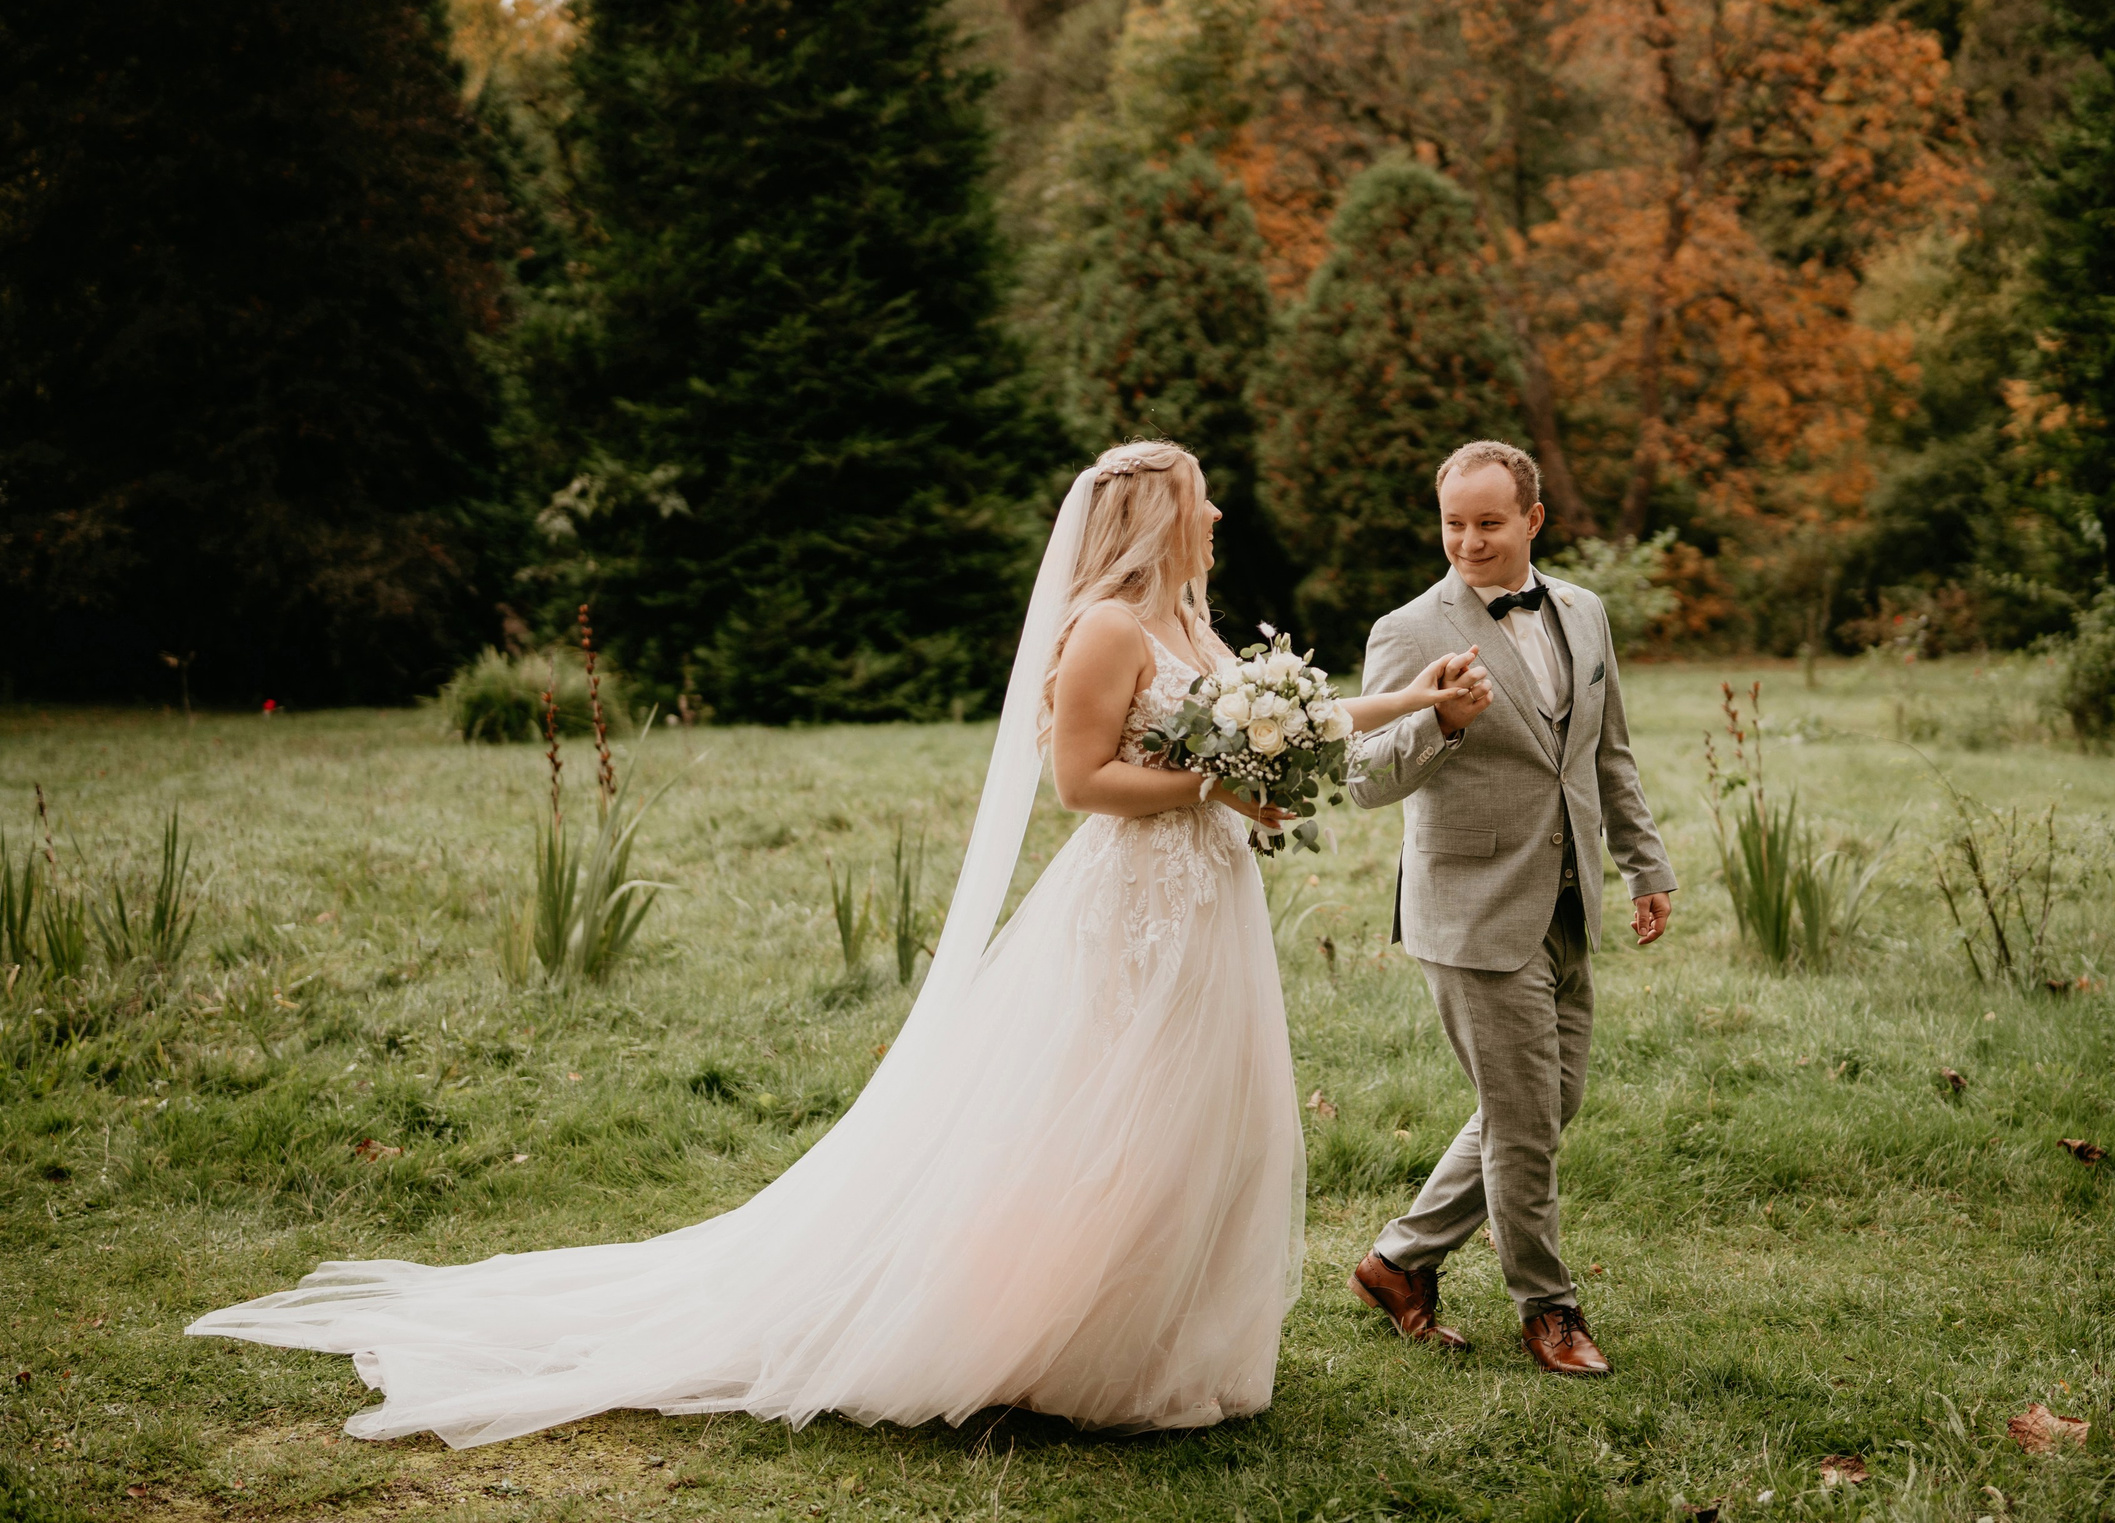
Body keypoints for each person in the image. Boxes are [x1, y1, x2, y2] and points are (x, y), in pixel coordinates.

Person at [186, 442, 1488, 1447]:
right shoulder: (1103, 628)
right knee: (1109, 1119)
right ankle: (1069, 1347)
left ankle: (1169, 1350)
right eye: (1201, 501)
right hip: (1132, 895)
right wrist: (1213, 786)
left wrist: (1409, 697)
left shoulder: (1196, 624)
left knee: (1209, 1120)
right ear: (1157, 514)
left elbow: (1283, 714)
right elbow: (1083, 782)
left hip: (1208, 902)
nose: (1215, 516)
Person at [1342, 439, 1676, 1377]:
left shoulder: (1583, 610)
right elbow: (1362, 778)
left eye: (1489, 523)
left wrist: (1646, 864)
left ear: (1533, 519)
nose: (1468, 542)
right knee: (1525, 1119)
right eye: (1453, 523)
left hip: (1570, 899)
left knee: (1541, 1104)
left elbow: (1608, 752)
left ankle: (1397, 1261)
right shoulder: (1409, 628)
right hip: (1471, 905)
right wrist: (1438, 723)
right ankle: (1549, 1307)